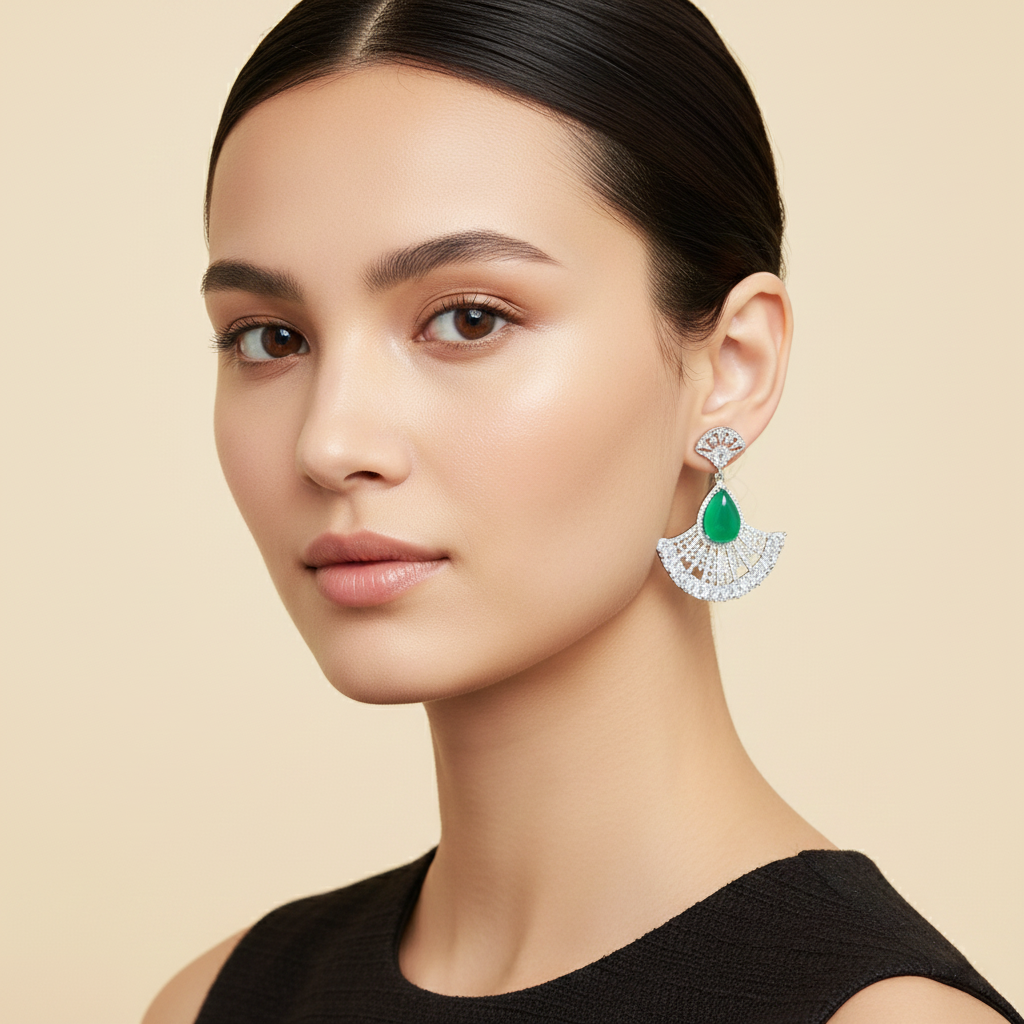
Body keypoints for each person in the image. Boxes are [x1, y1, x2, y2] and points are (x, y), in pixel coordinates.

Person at [142, 1, 1022, 1021]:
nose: (329, 443)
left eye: (468, 318)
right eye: (269, 338)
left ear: (732, 368)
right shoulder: (217, 1001)